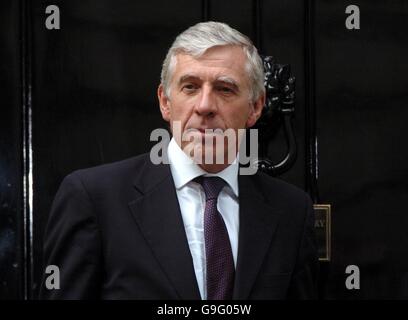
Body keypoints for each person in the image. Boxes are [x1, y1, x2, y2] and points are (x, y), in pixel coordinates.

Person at [40, 21, 318, 299]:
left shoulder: (291, 210)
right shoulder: (94, 198)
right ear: (165, 101)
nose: (205, 105)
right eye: (190, 87)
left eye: (225, 89)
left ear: (256, 106)